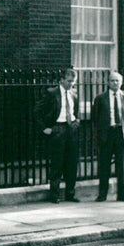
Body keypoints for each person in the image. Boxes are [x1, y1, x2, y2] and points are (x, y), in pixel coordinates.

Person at [35, 68, 80, 203]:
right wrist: (44, 128)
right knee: (57, 163)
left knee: (72, 163)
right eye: (69, 81)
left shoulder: (74, 94)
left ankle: (70, 194)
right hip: (57, 129)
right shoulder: (51, 93)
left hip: (71, 129)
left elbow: (75, 111)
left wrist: (77, 122)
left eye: (73, 81)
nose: (71, 84)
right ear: (61, 80)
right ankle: (54, 195)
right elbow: (37, 112)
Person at [92, 71, 124, 202]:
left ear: (121, 82)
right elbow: (95, 118)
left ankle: (122, 195)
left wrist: (123, 128)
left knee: (121, 166)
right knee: (104, 166)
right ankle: (102, 194)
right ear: (108, 82)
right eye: (112, 80)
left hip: (121, 134)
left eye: (117, 80)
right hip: (107, 134)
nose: (115, 83)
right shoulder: (100, 98)